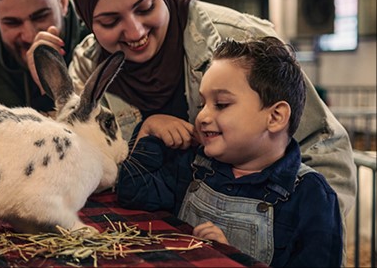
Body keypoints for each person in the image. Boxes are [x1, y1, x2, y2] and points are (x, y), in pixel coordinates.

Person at [63, 0, 356, 218]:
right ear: (88, 21)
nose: (135, 30)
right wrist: (144, 135)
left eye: (146, 7)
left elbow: (326, 151)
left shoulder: (242, 42)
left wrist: (290, 239)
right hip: (167, 233)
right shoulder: (90, 68)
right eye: (110, 21)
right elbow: (82, 163)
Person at [116, 36, 342, 267]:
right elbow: (132, 193)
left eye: (221, 104)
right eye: (201, 104)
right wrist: (149, 128)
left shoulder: (311, 197)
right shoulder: (194, 165)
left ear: (275, 117)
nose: (202, 117)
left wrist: (232, 260)